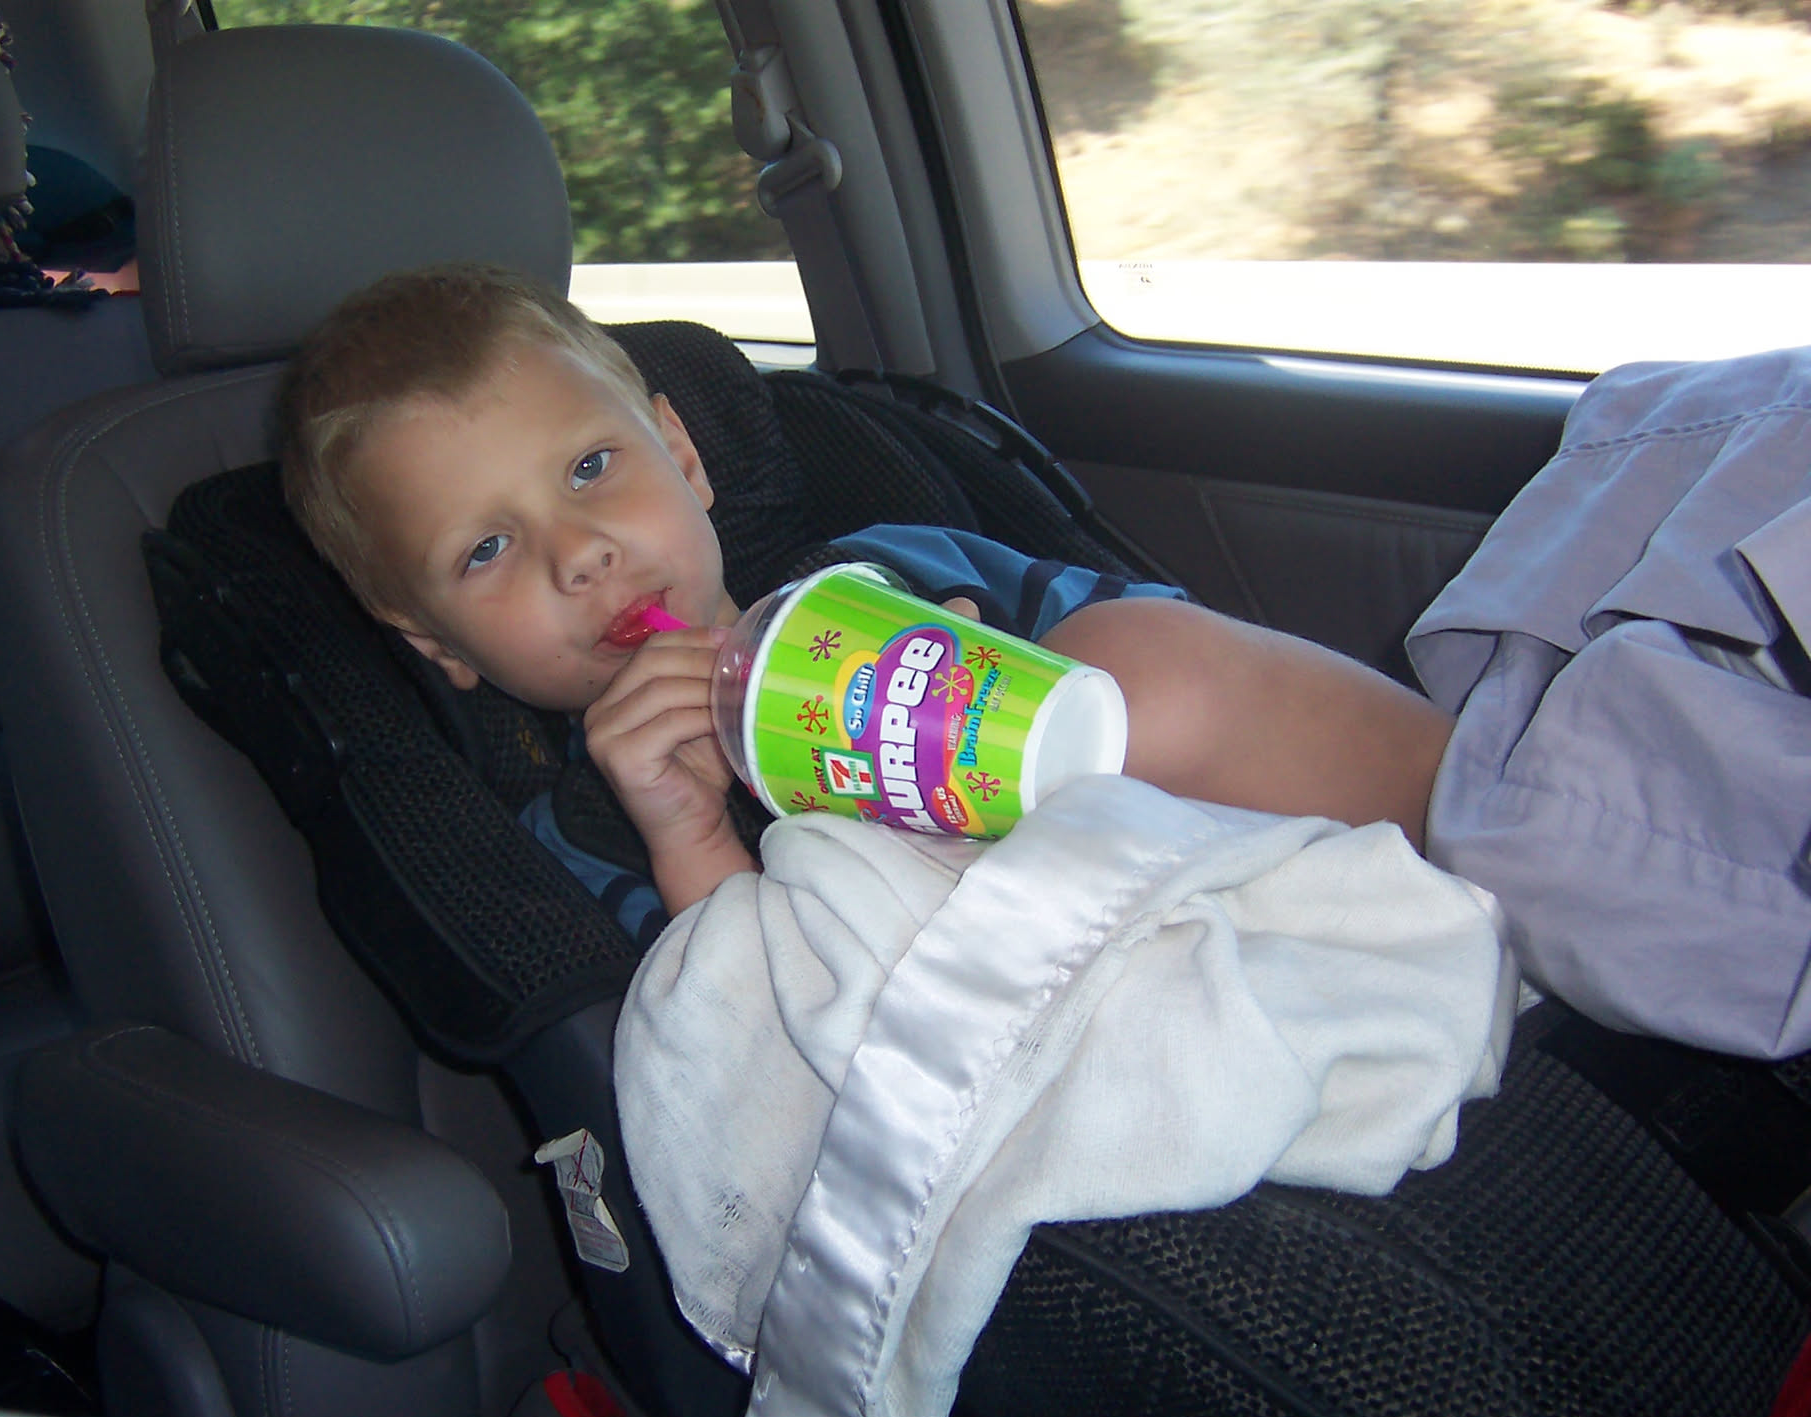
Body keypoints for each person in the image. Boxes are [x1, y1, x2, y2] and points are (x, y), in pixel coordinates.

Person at [279, 263, 1454, 933]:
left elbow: (1221, 686)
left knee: (1150, 661)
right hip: (983, 1019)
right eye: (487, 548)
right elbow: (740, 1064)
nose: (578, 555)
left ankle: (1490, 820)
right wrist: (691, 837)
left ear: (683, 458)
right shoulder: (590, 832)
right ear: (439, 646)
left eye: (592, 469)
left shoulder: (903, 570)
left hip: (1238, 874)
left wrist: (1011, 689)